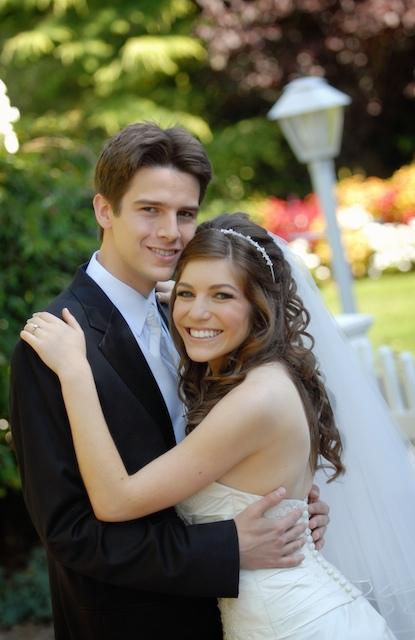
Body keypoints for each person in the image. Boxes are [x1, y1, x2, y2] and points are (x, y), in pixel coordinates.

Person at [10, 124, 329, 640]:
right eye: (150, 210)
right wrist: (227, 548)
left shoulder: (191, 317)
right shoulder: (54, 347)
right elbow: (71, 533)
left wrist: (283, 507)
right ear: (104, 210)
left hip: (240, 614)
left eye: (185, 214)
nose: (171, 232)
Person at [21, 212, 399, 638]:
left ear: (259, 305)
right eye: (187, 292)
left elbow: (115, 501)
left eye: (222, 295)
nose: (197, 312)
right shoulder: (271, 374)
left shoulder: (256, 399)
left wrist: (76, 372)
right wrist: (195, 302)